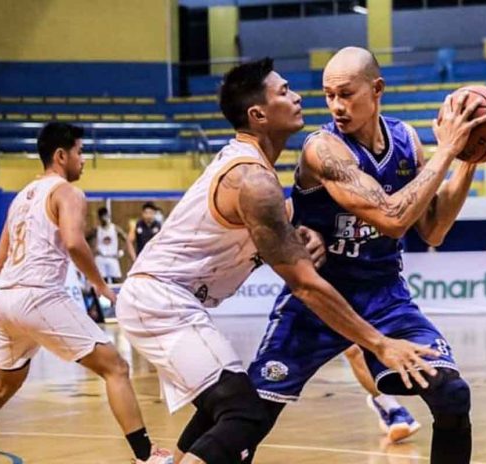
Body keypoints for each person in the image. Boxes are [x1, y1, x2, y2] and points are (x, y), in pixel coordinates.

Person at [115, 58, 439, 464]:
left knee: (228, 408)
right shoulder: (252, 180)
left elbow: (274, 225)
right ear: (259, 115)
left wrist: (307, 232)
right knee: (244, 415)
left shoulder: (256, 174)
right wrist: (379, 342)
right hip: (159, 301)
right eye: (284, 92)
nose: (298, 96)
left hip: (174, 301)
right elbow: (304, 284)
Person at [243, 47, 486, 464]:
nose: (336, 106)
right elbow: (392, 219)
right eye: (328, 96)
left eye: (346, 94)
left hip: (384, 295)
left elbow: (432, 228)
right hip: (320, 297)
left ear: (377, 90)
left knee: (452, 393)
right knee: (249, 418)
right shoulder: (323, 148)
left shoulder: (406, 140)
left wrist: (468, 160)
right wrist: (446, 151)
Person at [0, 123, 172, 464]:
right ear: (61, 155)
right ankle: (147, 456)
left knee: (3, 386)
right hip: (38, 295)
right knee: (115, 366)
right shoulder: (67, 192)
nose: (83, 160)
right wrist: (99, 284)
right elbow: (73, 241)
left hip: (7, 299)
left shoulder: (20, 199)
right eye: (80, 152)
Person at [88, 206, 136, 283]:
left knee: (117, 280)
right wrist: (92, 249)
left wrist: (122, 251)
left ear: (108, 216)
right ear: (99, 218)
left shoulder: (115, 228)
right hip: (101, 257)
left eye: (105, 216)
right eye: (102, 217)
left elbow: (127, 239)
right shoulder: (96, 229)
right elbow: (86, 238)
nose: (104, 219)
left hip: (112, 257)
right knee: (101, 281)